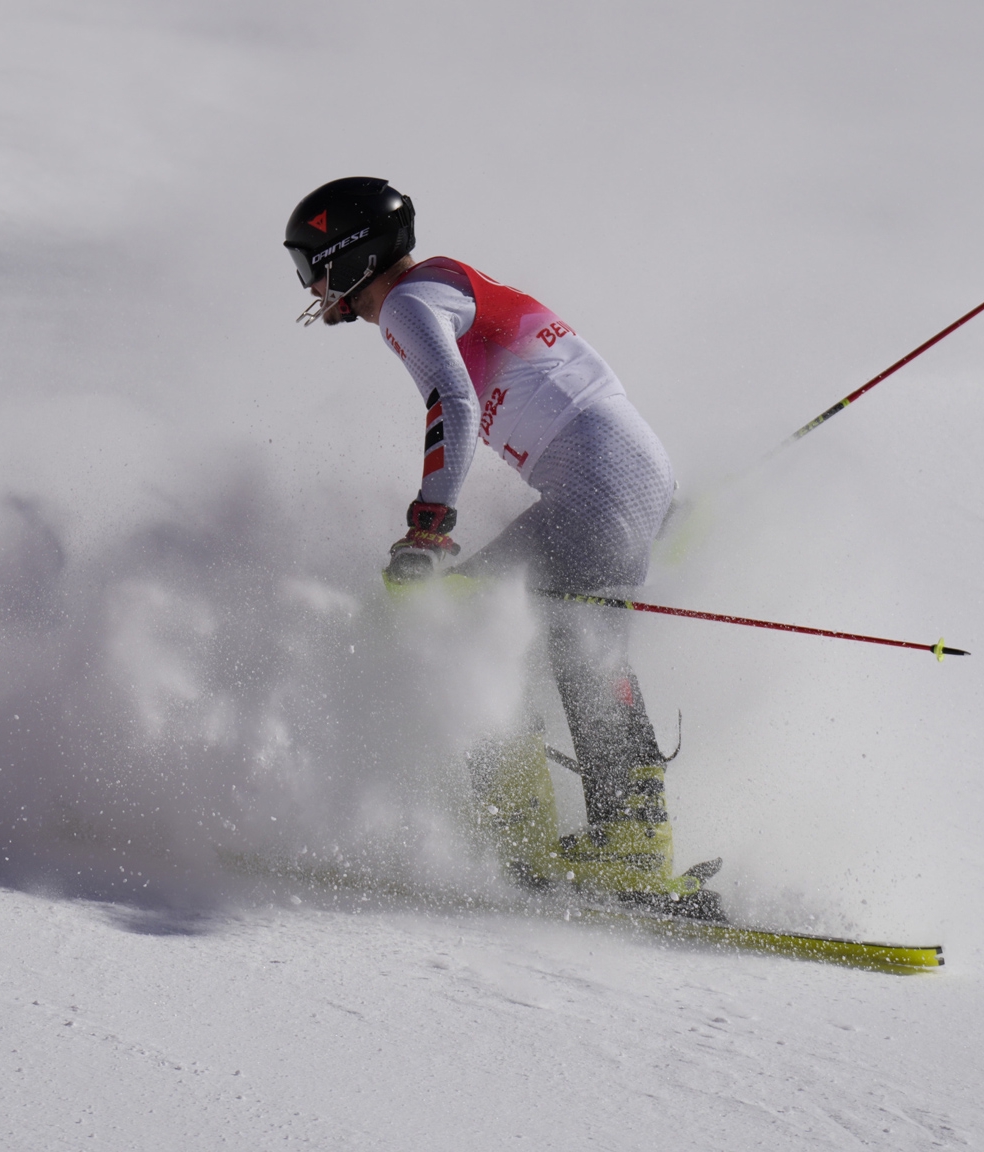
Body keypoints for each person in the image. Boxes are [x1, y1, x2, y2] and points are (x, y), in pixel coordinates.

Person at [283, 176, 719, 915]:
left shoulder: (409, 303)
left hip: (599, 480)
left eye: (312, 265)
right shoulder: (449, 286)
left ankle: (522, 843)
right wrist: (649, 507)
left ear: (354, 254)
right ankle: (632, 838)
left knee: (468, 625)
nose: (312, 286)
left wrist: (430, 526)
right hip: (632, 470)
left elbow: (450, 400)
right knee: (578, 641)